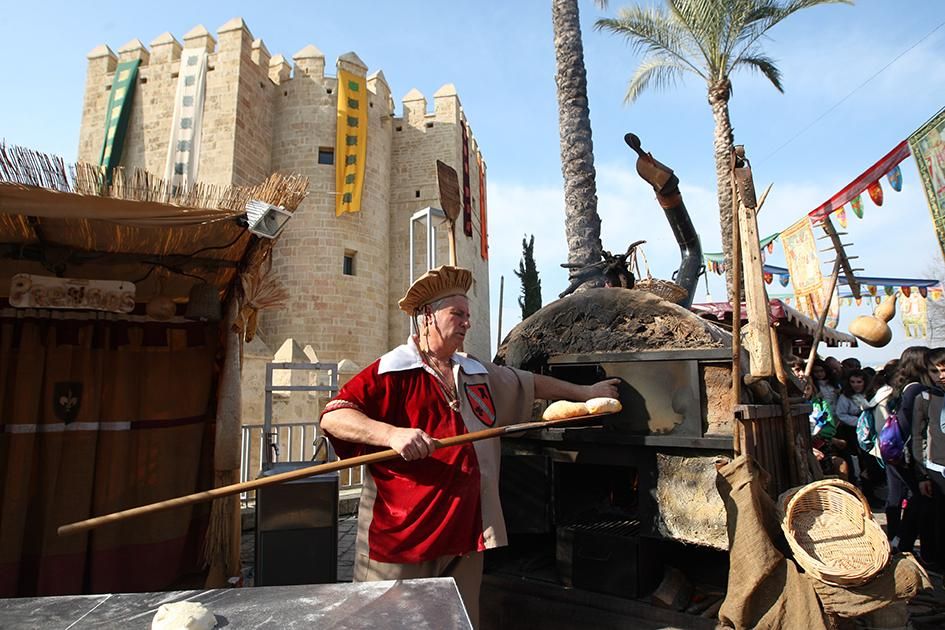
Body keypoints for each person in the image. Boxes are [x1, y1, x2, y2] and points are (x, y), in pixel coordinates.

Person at [319, 266, 620, 627]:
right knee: (389, 623)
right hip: (404, 537)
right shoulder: (391, 371)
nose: (466, 323)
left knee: (456, 622)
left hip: (465, 531)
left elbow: (529, 383)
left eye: (468, 315)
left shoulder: (475, 371)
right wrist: (391, 435)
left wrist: (585, 394)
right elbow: (334, 416)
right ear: (427, 316)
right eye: (456, 314)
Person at [911, 347, 945, 569]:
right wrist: (922, 474)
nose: (941, 375)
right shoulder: (924, 397)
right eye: (935, 370)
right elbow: (917, 436)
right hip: (937, 469)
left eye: (944, 369)